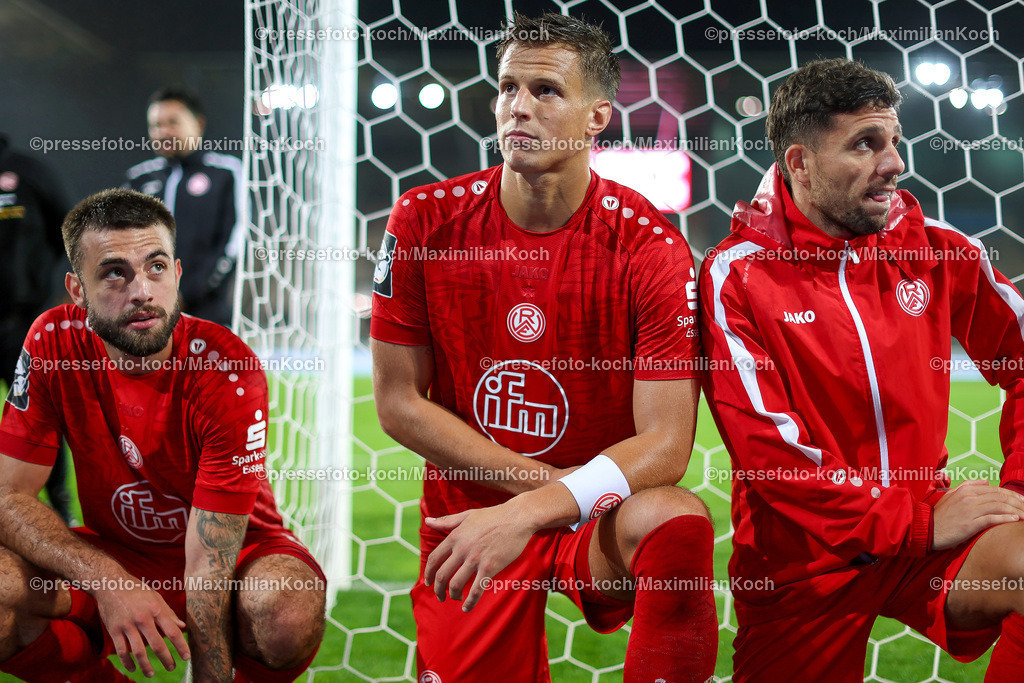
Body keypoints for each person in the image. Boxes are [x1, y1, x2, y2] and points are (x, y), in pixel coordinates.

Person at [371, 12, 716, 683]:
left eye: (546, 91)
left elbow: (668, 445)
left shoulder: (651, 249)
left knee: (677, 522)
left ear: (597, 118)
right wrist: (532, 495)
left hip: (596, 514)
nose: (518, 107)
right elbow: (397, 402)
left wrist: (540, 504)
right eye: (507, 88)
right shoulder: (423, 221)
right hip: (471, 517)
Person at [699, 57, 1024, 681]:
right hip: (802, 561)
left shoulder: (933, 250)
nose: (894, 163)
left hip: (929, 538)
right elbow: (770, 455)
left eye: (893, 141)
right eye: (865, 144)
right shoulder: (737, 275)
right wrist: (912, 520)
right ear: (800, 163)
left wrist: (1017, 491)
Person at [0, 189, 325, 682]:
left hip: (235, 555)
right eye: (114, 273)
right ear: (77, 290)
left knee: (284, 608)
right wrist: (109, 580)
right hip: (117, 553)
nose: (142, 292)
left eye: (155, 267)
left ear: (175, 274)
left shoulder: (225, 368)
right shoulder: (51, 342)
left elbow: (208, 566)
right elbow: (6, 496)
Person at [0, 132, 73, 525]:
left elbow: (69, 227)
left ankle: (60, 504)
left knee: (40, 413)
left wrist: (37, 278)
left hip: (21, 322)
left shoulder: (26, 170)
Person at [125, 87, 244, 327]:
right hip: (146, 310)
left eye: (173, 122)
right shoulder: (138, 178)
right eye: (155, 125)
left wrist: (187, 294)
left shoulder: (226, 173)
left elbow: (232, 242)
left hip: (207, 312)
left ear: (198, 125)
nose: (163, 132)